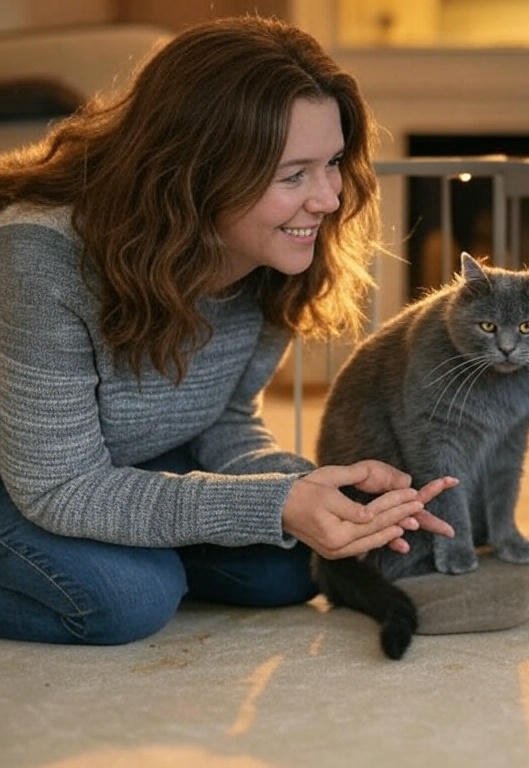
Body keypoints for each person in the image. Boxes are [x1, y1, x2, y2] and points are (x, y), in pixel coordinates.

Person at [0, 15, 456, 645]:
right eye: (293, 174)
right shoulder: (42, 258)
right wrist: (265, 506)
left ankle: (145, 550)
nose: (327, 198)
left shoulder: (270, 252)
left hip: (115, 458)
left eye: (332, 163)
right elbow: (56, 485)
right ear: (196, 174)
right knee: (127, 597)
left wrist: (309, 489)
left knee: (291, 564)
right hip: (27, 476)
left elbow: (223, 419)